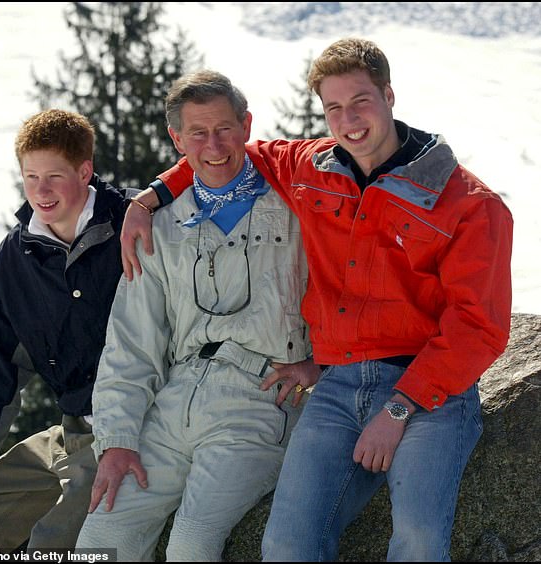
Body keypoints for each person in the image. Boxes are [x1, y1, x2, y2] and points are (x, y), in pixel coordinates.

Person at [121, 38, 514, 561]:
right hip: (337, 386)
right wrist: (149, 199)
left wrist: (398, 409)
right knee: (286, 545)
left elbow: (478, 326)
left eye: (360, 102)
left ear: (389, 95)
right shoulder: (312, 169)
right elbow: (223, 153)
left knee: (417, 540)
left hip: (431, 395)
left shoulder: (469, 204)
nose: (348, 120)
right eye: (333, 108)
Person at [75, 70, 315, 561]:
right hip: (173, 401)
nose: (214, 145)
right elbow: (131, 341)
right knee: (100, 542)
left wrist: (323, 364)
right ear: (176, 139)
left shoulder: (298, 204)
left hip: (259, 400)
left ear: (247, 125)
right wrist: (118, 440)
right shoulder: (157, 226)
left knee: (190, 545)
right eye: (198, 133)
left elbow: (349, 291)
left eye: (225, 128)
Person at [0, 109, 129, 552]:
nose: (41, 191)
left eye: (54, 176)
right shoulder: (12, 264)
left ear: (84, 171)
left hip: (132, 429)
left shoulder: (132, 225)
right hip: (71, 435)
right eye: (30, 177)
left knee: (51, 543)